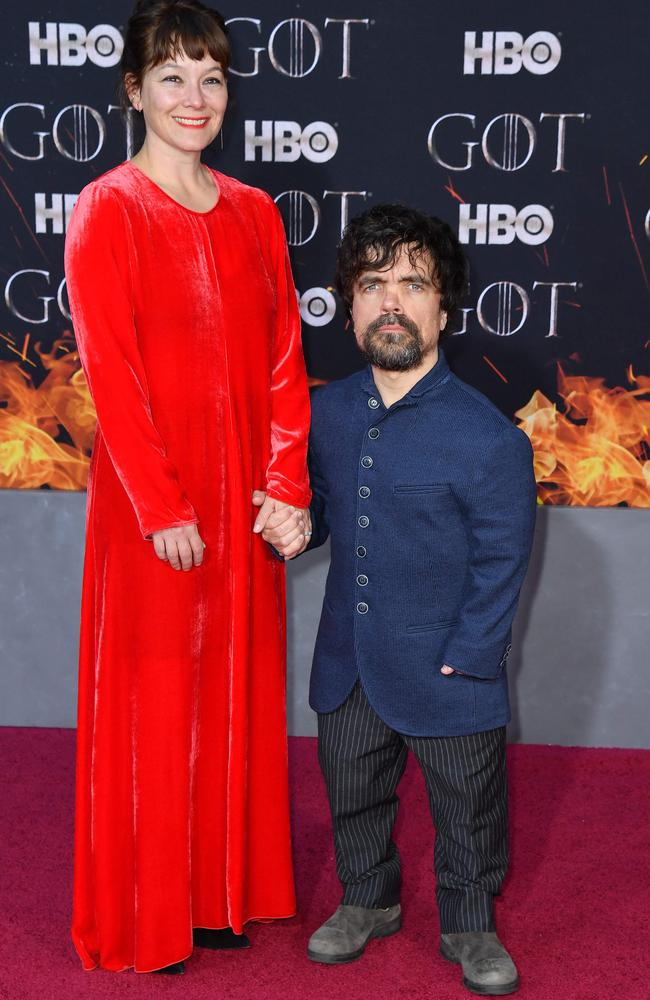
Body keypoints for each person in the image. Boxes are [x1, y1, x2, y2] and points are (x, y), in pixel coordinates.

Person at [64, 0, 311, 975]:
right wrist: (161, 505)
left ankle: (218, 898)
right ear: (133, 90)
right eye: (172, 76)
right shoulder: (108, 208)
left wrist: (284, 483)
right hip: (149, 507)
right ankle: (150, 912)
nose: (194, 96)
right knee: (155, 705)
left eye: (210, 76)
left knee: (235, 696)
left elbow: (285, 360)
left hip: (246, 504)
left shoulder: (255, 213)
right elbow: (111, 375)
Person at [263, 204, 537, 996]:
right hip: (348, 664)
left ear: (443, 308)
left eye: (413, 284)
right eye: (372, 284)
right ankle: (368, 899)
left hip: (451, 672)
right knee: (352, 792)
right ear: (348, 309)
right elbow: (313, 512)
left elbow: (501, 563)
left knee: (468, 810)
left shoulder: (489, 438)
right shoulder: (326, 412)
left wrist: (470, 661)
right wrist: (289, 526)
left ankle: (470, 920)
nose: (392, 301)